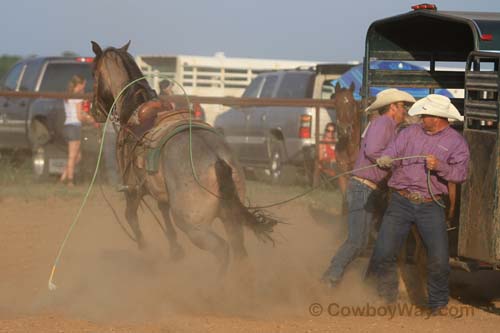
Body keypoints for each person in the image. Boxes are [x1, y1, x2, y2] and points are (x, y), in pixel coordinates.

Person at [367, 94, 470, 313]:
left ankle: (438, 304)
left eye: (426, 114)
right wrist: (386, 158)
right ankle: (387, 298)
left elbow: (460, 174)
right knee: (384, 251)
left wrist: (441, 166)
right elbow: (392, 151)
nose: (422, 118)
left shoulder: (456, 142)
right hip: (400, 200)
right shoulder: (409, 133)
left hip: (430, 204)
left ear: (438, 118)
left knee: (439, 258)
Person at [321, 88, 415, 287]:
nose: (404, 111)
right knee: (357, 241)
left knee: (361, 242)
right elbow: (373, 150)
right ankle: (330, 277)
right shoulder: (384, 123)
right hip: (363, 188)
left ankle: (334, 277)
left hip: (365, 188)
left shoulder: (386, 125)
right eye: (402, 107)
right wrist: (389, 161)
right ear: (392, 108)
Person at [59, 75, 94, 186]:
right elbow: (79, 116)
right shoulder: (78, 97)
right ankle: (70, 181)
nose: (84, 87)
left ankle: (63, 178)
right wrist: (89, 120)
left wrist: (87, 117)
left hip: (68, 125)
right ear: (80, 84)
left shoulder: (68, 95)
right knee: (73, 155)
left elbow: (77, 112)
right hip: (74, 126)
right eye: (84, 84)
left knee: (77, 156)